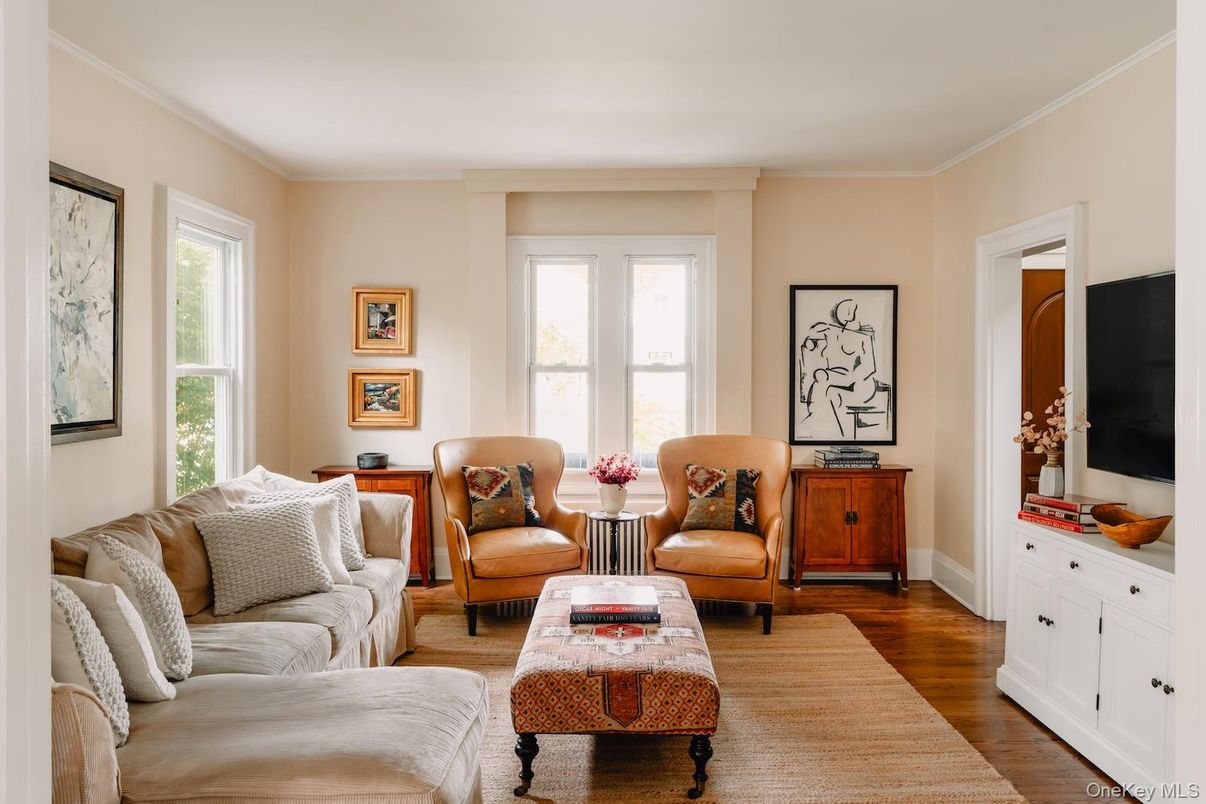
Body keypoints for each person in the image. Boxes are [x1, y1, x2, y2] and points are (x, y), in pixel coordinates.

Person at [799, 298, 879, 436]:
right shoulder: (831, 334)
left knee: (824, 382)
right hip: (834, 378)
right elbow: (809, 341)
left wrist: (850, 378)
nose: (849, 317)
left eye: (851, 312)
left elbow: (870, 367)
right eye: (846, 312)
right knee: (824, 383)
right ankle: (825, 426)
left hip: (861, 382)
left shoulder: (864, 338)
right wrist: (811, 339)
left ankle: (816, 421)